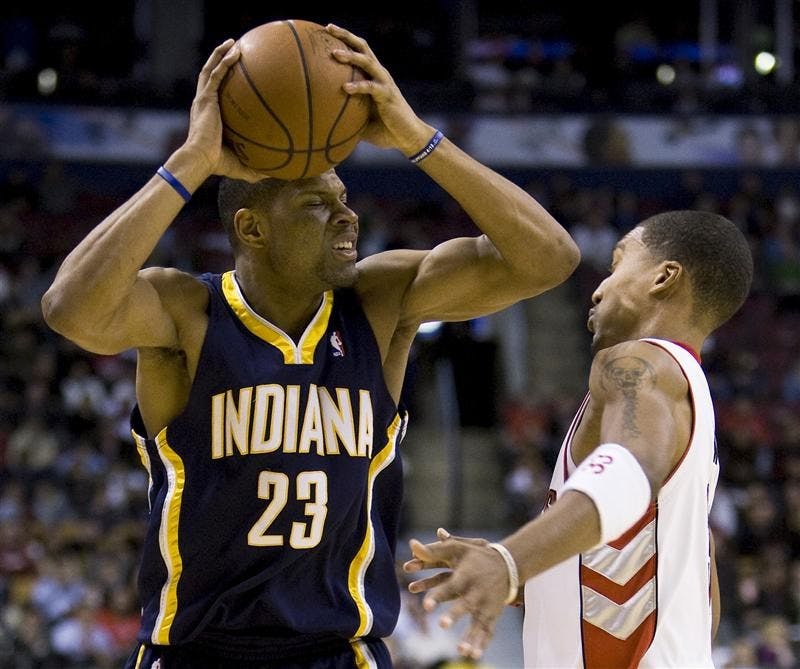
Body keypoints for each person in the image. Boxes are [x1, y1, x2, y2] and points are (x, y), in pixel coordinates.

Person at [40, 23, 579, 669]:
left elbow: (548, 258)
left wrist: (417, 137)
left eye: (344, 197)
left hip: (339, 651)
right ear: (252, 227)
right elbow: (69, 307)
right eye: (316, 204)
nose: (347, 215)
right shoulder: (187, 314)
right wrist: (190, 161)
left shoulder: (379, 303)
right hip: (198, 652)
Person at [405, 210, 754, 668]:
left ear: (663, 278)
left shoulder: (636, 363)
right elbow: (694, 583)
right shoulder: (689, 394)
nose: (598, 288)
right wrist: (531, 575)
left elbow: (630, 469)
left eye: (617, 265)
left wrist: (511, 562)